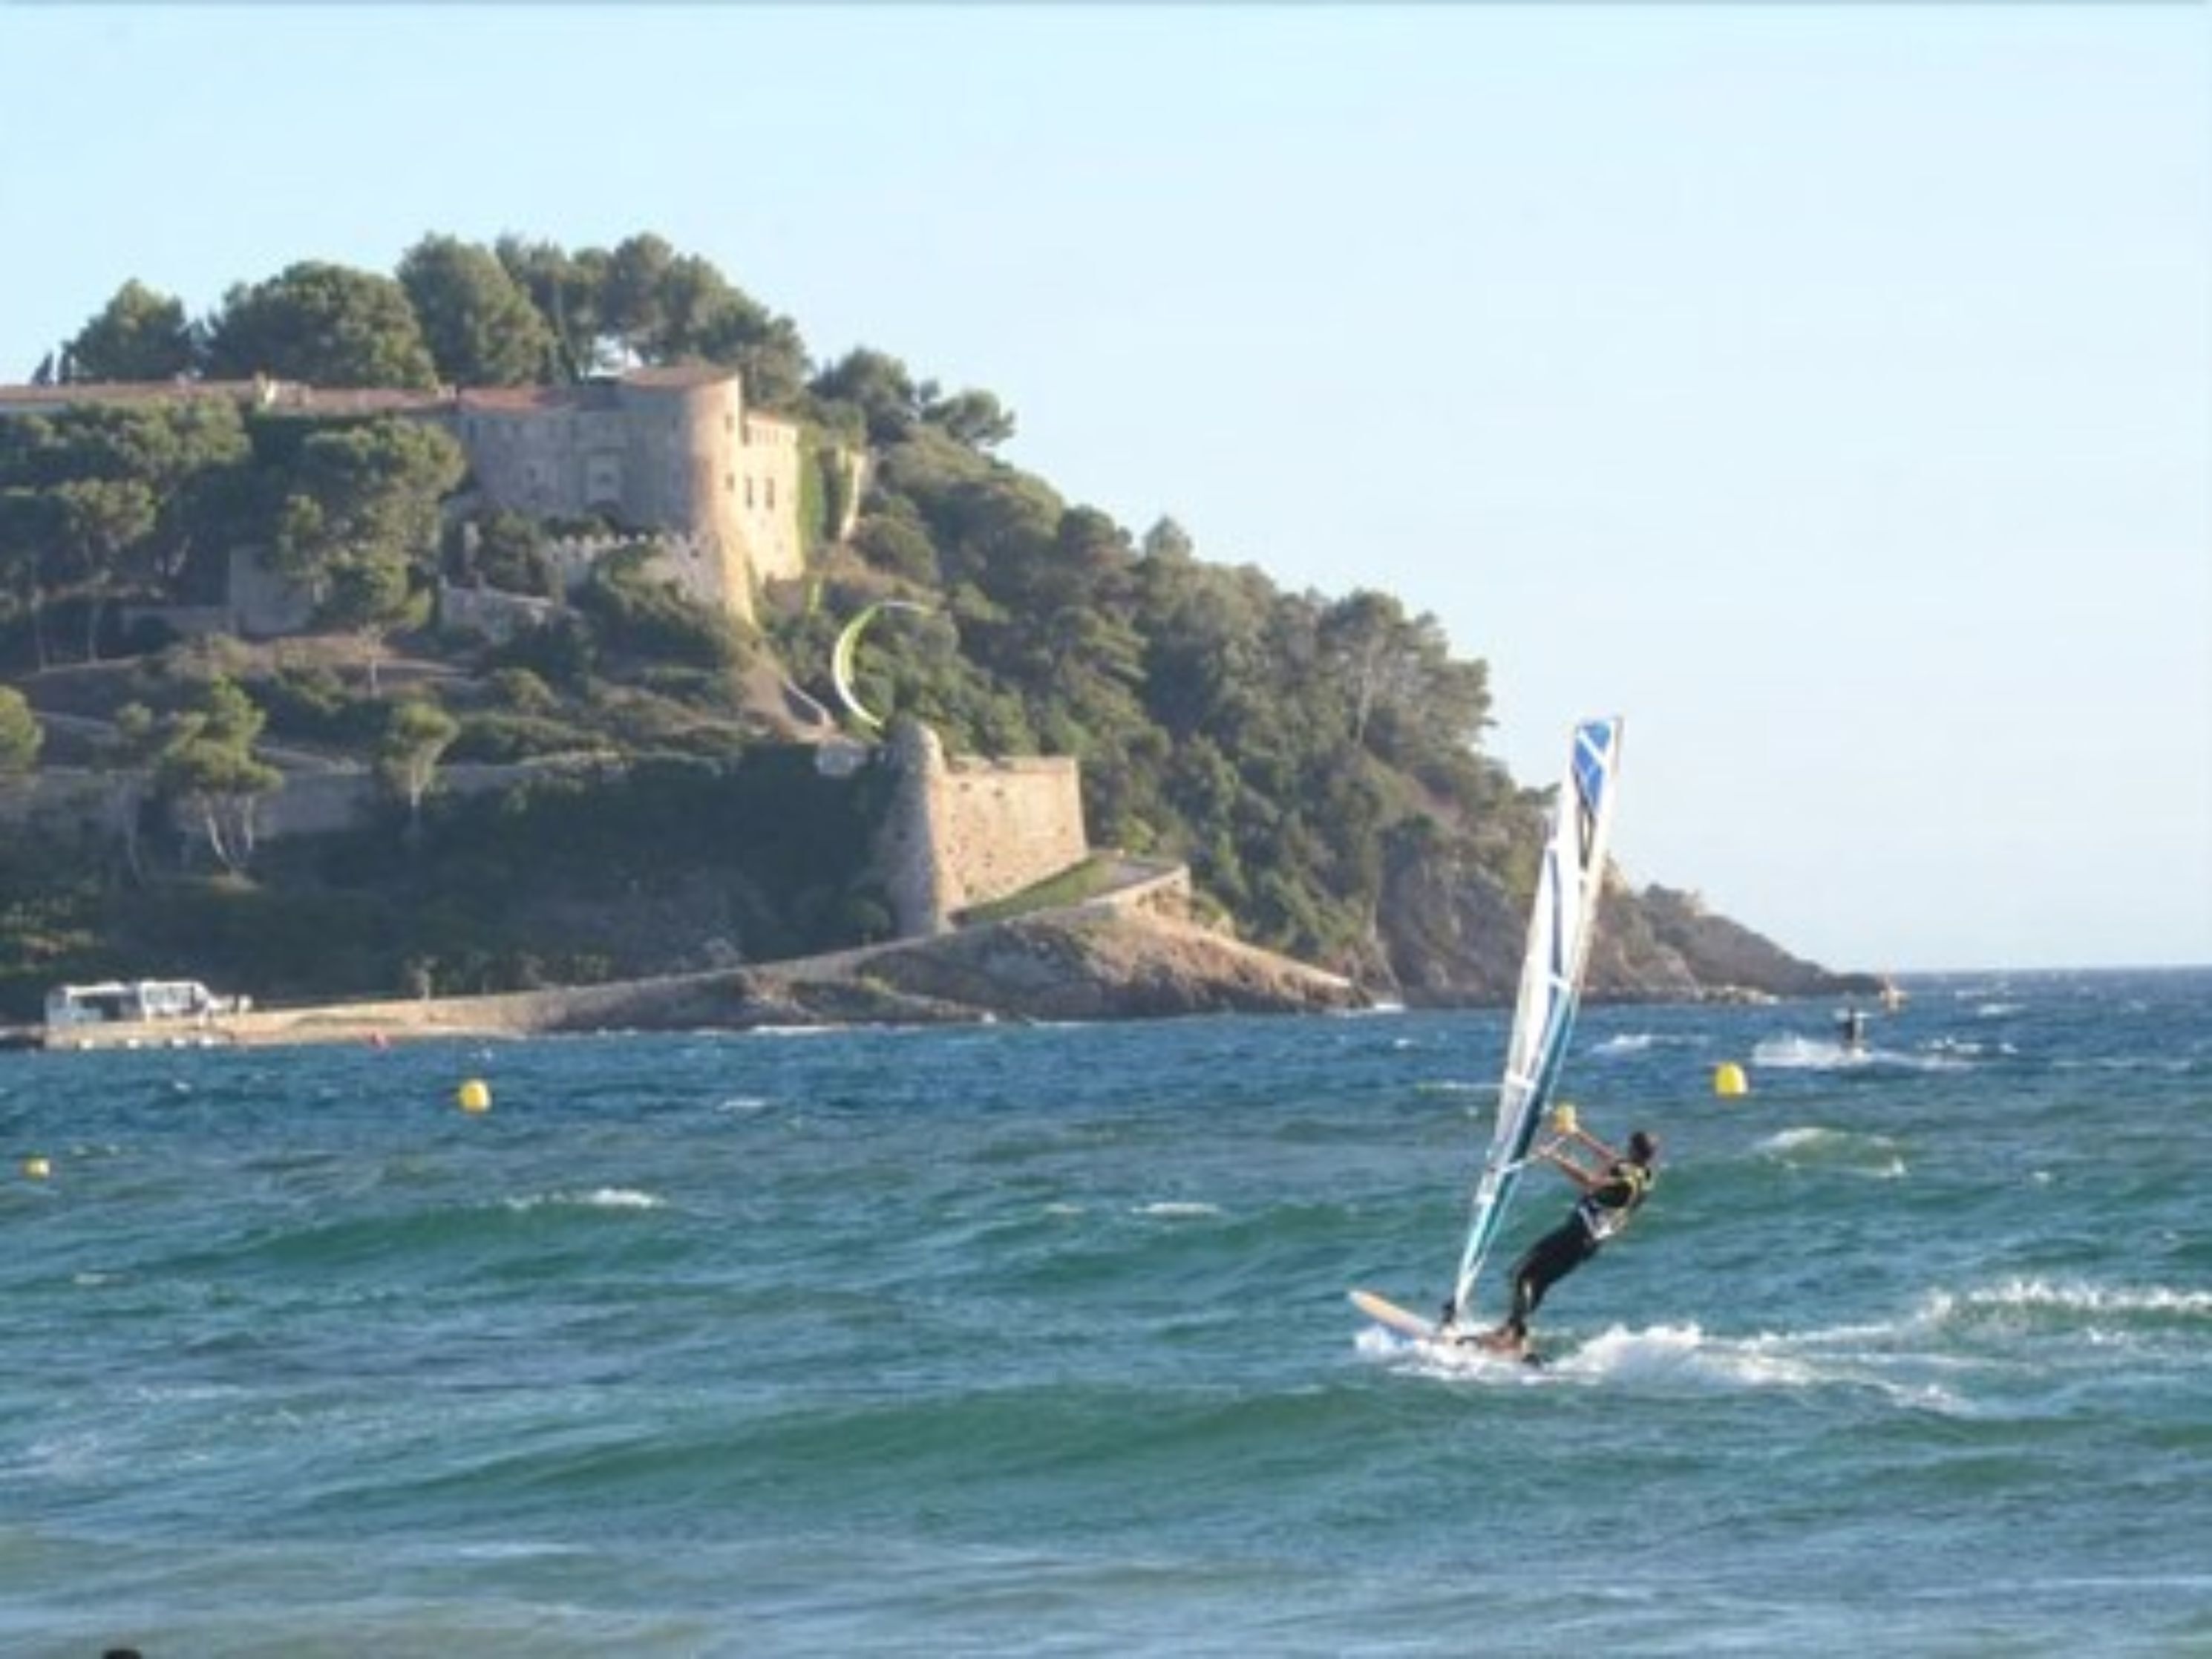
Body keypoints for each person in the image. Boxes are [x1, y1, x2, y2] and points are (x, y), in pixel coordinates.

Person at [1482, 1123, 1659, 1354]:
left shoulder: (1626, 1183)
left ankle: (1516, 1336)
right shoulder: (1646, 1175)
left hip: (1578, 1235)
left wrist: (1555, 1158)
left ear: (1634, 1150)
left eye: (1629, 1147)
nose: (1624, 1151)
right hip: (1591, 1242)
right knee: (1538, 1281)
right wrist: (1578, 1133)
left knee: (1520, 1275)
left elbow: (1589, 1182)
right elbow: (1610, 1157)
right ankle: (1512, 1332)